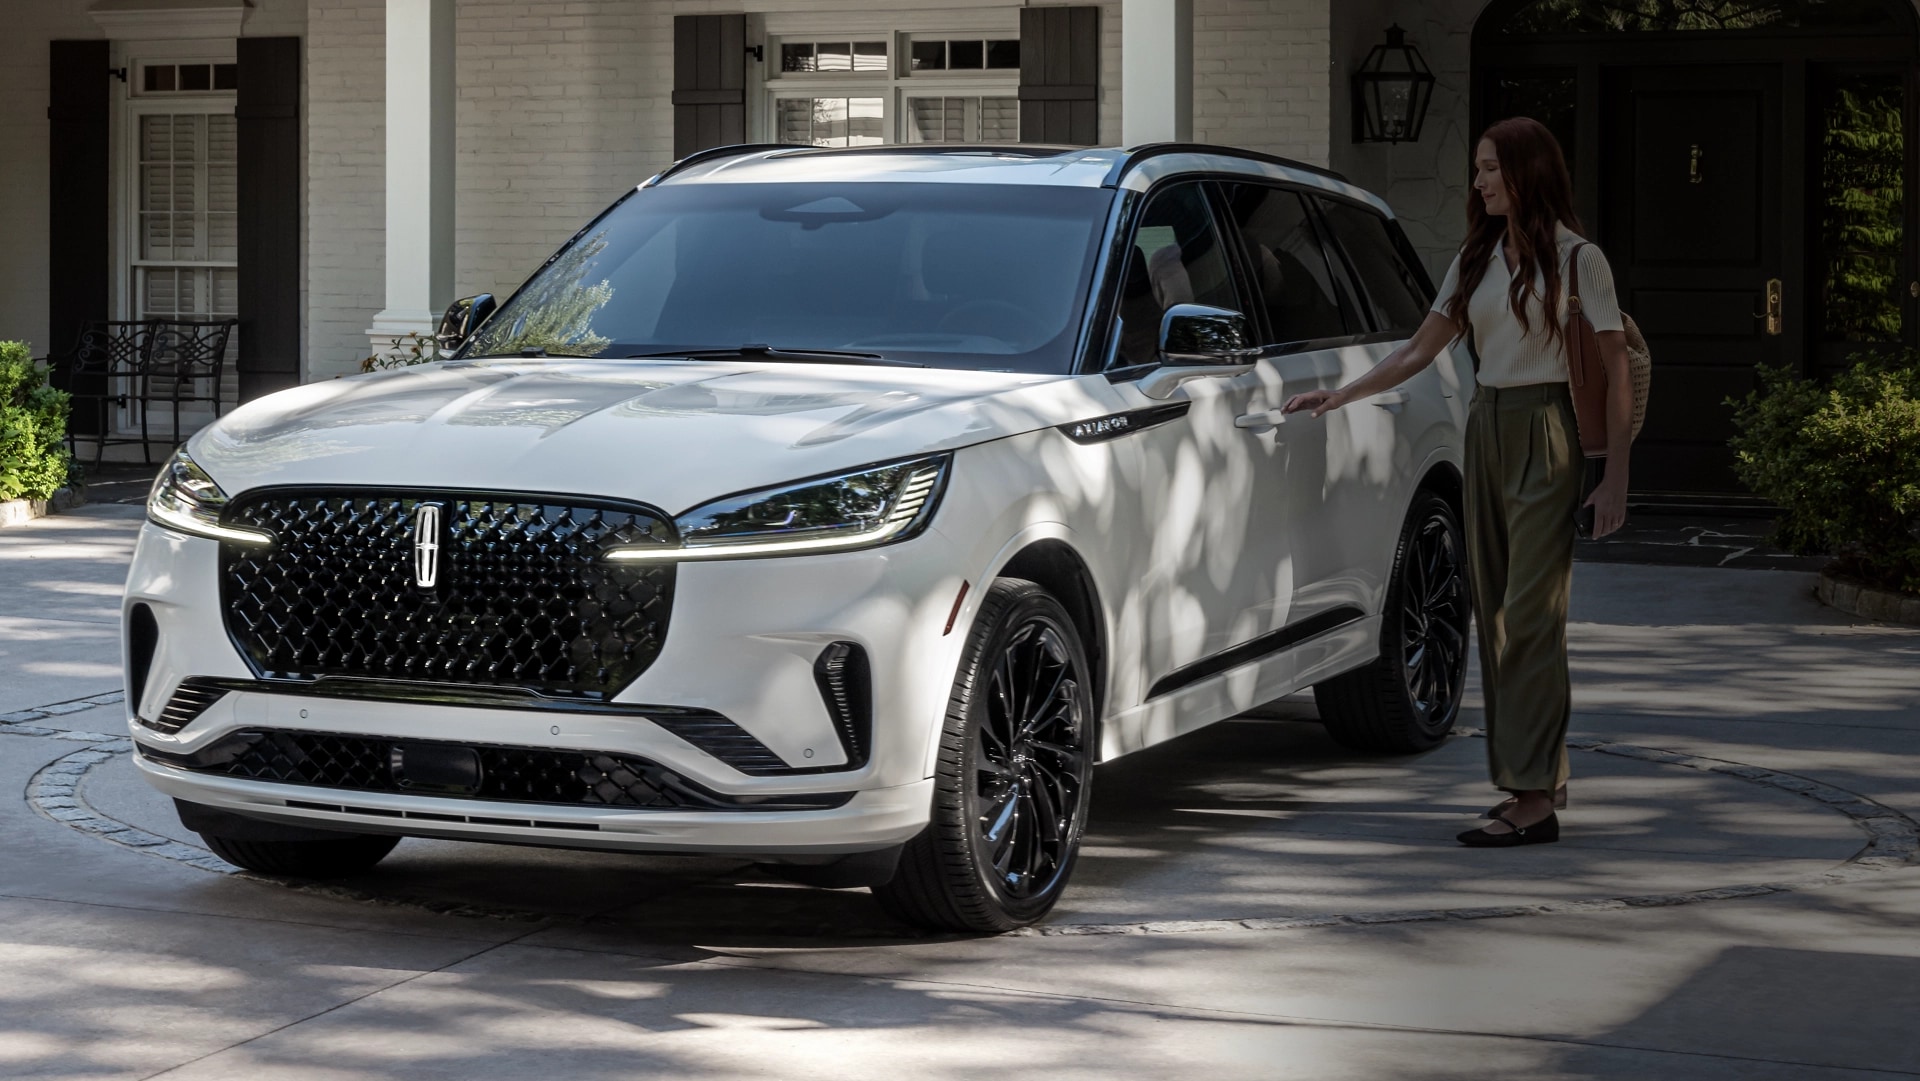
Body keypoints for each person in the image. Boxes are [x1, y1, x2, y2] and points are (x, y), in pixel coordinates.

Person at [1282, 117, 1635, 848]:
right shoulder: (1477, 259)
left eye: (1487, 169)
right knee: (1498, 616)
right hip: (1487, 425)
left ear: (1525, 172)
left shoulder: (1580, 260)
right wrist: (1338, 396)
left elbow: (1617, 366)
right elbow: (1421, 347)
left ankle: (1533, 799)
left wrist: (1616, 477)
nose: (1476, 182)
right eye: (1476, 169)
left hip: (1548, 429)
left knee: (1534, 618)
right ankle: (1534, 774)